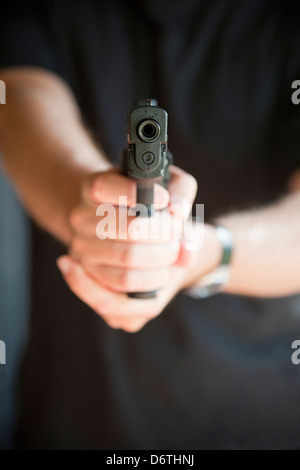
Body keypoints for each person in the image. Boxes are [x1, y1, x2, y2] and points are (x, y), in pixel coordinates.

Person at [1, 0, 300, 450]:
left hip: (256, 415)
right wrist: (86, 201)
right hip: (75, 409)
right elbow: (16, 95)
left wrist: (200, 252)